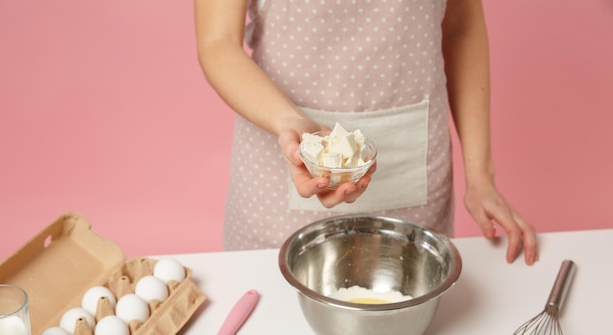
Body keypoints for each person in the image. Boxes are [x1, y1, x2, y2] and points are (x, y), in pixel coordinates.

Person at [194, 0, 539, 265]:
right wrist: (291, 124)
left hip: (414, 193)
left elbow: (461, 26)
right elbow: (217, 41)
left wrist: (480, 176)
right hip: (275, 193)